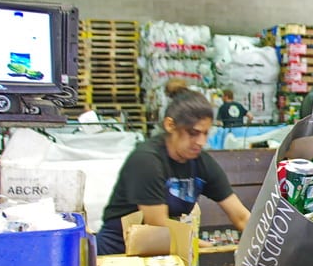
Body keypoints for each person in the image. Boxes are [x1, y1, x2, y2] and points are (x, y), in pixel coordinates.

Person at [97, 85, 251, 254]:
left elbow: (241, 216)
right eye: (193, 133)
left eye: (205, 133)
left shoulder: (202, 164)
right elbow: (157, 225)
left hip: (165, 252)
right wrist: (196, 244)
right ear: (170, 125)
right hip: (119, 254)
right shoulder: (147, 160)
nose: (200, 141)